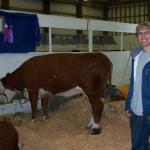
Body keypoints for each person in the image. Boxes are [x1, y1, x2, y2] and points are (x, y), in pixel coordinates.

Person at [125, 22, 150, 150]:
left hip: (148, 111)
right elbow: (133, 83)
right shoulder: (137, 57)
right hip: (136, 111)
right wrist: (128, 104)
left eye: (147, 32)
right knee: (137, 145)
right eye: (140, 33)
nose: (143, 36)